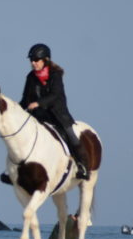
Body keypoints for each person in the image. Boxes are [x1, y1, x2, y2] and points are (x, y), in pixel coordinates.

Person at [20, 43, 89, 179]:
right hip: (39, 115)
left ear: (45, 60)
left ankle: (83, 166)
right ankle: (14, 170)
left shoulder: (55, 75)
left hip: (57, 114)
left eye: (36, 60)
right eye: (31, 60)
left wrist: (38, 103)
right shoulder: (30, 77)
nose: (33, 63)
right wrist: (16, 109)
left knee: (70, 135)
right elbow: (24, 99)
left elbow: (55, 95)